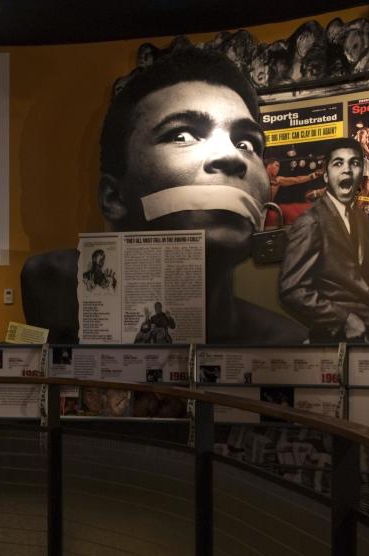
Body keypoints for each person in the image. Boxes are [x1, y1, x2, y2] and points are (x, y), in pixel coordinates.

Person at [21, 46, 307, 344]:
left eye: (247, 144)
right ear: (113, 197)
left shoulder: (288, 342)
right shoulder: (54, 284)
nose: (231, 156)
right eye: (182, 135)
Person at [278, 138, 369, 343]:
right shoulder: (311, 222)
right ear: (326, 175)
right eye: (338, 163)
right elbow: (292, 289)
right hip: (350, 332)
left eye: (354, 163)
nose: (347, 169)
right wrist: (343, 319)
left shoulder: (362, 219)